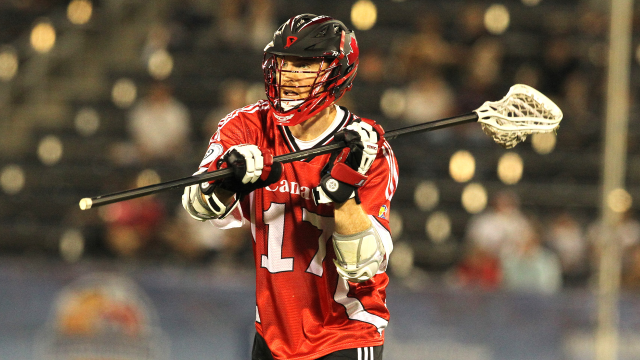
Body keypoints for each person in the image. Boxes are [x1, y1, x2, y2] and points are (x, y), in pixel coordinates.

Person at [182, 14, 398, 360]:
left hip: (344, 331)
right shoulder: (246, 127)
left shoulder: (367, 148)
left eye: (305, 65)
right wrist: (227, 180)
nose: (289, 76)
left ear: (337, 71)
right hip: (271, 332)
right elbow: (197, 205)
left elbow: (363, 266)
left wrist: (344, 190)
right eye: (285, 64)